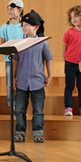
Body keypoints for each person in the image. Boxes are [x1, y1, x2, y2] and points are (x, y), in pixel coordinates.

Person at [13, 10, 52, 143]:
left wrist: (50, 76)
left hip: (37, 82)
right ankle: (19, 132)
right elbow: (16, 61)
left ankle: (38, 133)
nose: (24, 27)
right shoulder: (19, 43)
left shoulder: (43, 43)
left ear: (36, 27)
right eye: (22, 25)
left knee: (38, 110)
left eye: (27, 25)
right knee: (19, 109)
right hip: (22, 82)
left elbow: (48, 60)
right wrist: (13, 77)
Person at [62, 5, 81, 116]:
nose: (73, 19)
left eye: (76, 16)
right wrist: (65, 59)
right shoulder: (69, 32)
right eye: (71, 17)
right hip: (70, 63)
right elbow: (64, 46)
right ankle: (68, 107)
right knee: (69, 86)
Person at [0, 0, 25, 106]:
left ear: (19, 10)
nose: (9, 11)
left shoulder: (24, 26)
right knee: (10, 84)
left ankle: (21, 106)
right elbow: (2, 45)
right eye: (8, 9)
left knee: (21, 83)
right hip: (9, 60)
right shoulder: (4, 27)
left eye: (12, 9)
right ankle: (12, 105)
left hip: (22, 60)